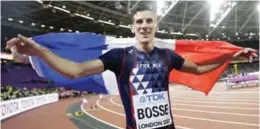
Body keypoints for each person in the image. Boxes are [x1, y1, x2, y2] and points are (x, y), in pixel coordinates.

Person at [5, 9, 257, 129]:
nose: (144, 25)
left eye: (149, 20)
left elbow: (200, 70)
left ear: (155, 26)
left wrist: (230, 55)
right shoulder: (118, 56)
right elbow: (76, 71)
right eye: (139, 21)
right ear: (133, 28)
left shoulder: (168, 56)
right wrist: (41, 52)